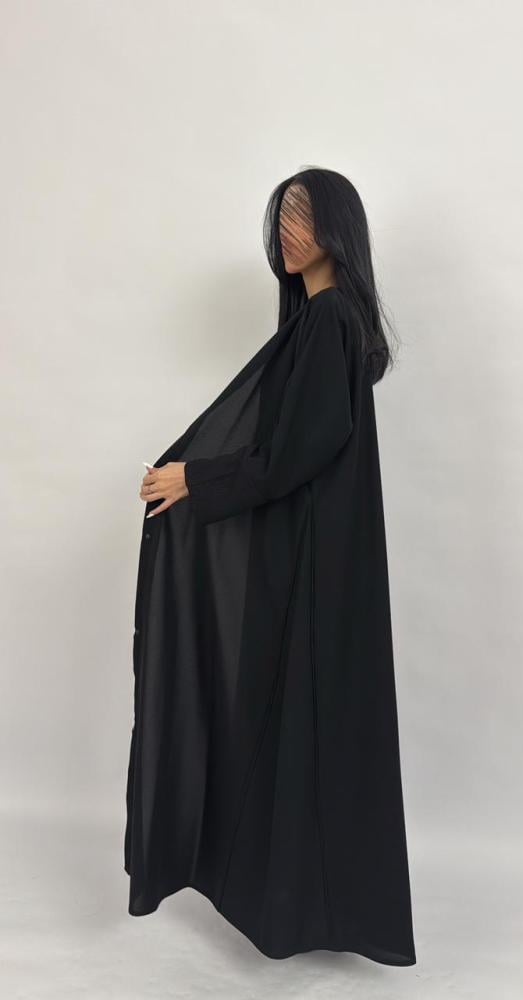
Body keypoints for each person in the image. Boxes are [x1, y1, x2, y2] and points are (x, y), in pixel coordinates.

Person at [125, 167, 417, 967]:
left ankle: (300, 913)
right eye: (280, 216)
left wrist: (194, 478)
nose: (287, 231)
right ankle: (304, 910)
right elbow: (288, 448)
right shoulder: (326, 321)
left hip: (315, 572)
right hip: (319, 561)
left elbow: (293, 453)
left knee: (302, 728)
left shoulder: (329, 321)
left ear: (337, 229)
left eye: (303, 216)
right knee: (307, 735)